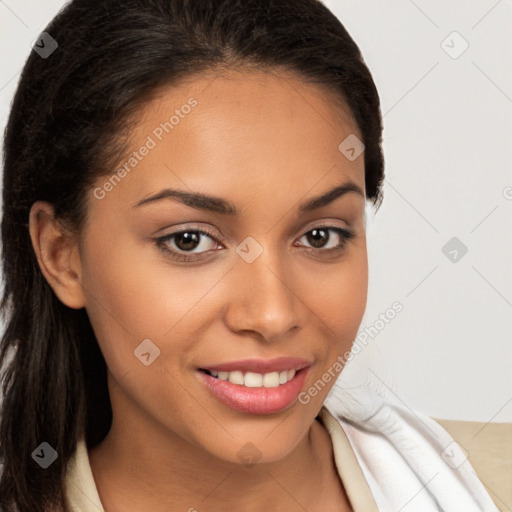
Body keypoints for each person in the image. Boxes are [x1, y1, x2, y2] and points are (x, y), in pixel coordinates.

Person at [0, 0, 499, 511]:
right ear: (62, 255)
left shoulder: (488, 484)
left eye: (321, 235)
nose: (272, 315)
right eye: (189, 240)